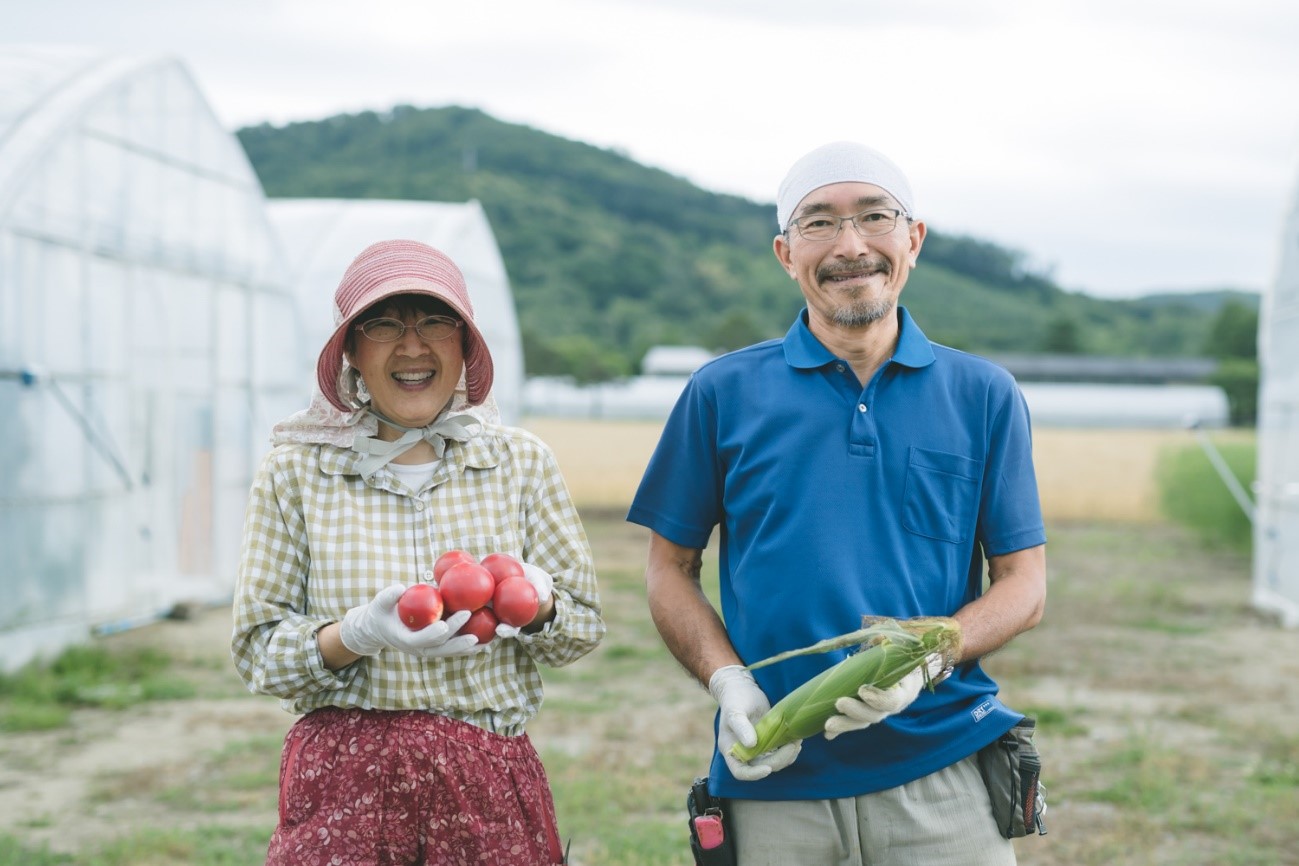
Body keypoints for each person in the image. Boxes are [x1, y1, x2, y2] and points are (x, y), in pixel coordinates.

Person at [627, 141, 1047, 865]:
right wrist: (727, 681)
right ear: (785, 253)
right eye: (818, 223)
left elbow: (1024, 584)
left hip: (942, 771)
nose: (850, 245)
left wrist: (927, 657)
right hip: (774, 771)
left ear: (912, 238)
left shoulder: (982, 394)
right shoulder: (721, 393)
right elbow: (670, 567)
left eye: (874, 217)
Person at [231, 239, 605, 866]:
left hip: (484, 781)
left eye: (435, 321)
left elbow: (582, 629)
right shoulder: (294, 472)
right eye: (383, 324)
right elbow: (259, 654)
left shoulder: (520, 463)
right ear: (349, 350)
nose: (412, 345)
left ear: (465, 344)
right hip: (343, 786)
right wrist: (354, 634)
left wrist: (536, 607)